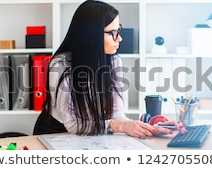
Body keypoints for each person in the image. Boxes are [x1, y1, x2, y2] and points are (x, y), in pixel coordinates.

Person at [33, 0, 185, 138]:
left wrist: (149, 127)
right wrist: (118, 126)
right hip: (56, 133)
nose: (119, 38)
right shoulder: (61, 65)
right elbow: (74, 125)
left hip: (93, 132)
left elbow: (117, 115)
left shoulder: (114, 61)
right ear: (92, 35)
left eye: (119, 30)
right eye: (113, 33)